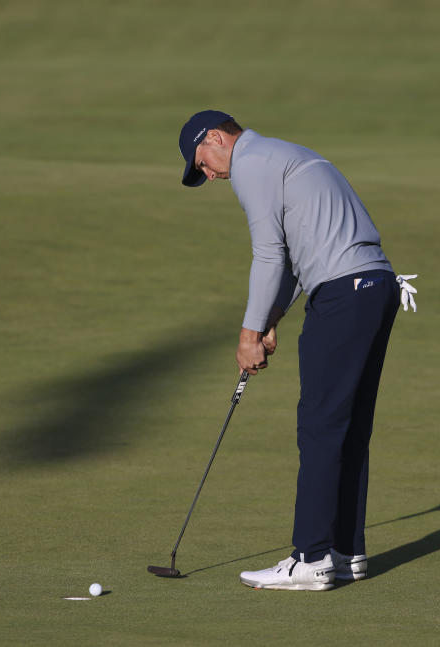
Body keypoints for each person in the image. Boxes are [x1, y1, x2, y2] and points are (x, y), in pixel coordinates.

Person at [178, 110, 416, 591]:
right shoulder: (286, 154)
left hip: (343, 294)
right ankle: (347, 553)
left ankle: (310, 559)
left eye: (201, 162)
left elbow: (267, 252)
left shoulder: (252, 163)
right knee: (347, 427)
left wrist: (247, 335)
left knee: (320, 426)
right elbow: (292, 256)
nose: (207, 174)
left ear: (217, 138)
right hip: (376, 288)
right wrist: (269, 320)